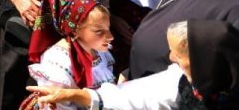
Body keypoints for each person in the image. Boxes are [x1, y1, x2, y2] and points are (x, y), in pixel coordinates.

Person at [26, 19, 239, 110]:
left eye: (178, 55)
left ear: (203, 61)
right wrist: (71, 95)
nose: (171, 59)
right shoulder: (181, 79)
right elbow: (135, 96)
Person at [25, 0, 115, 110]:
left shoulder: (100, 51)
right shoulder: (57, 62)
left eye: (108, 29)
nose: (110, 37)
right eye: (99, 31)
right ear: (75, 30)